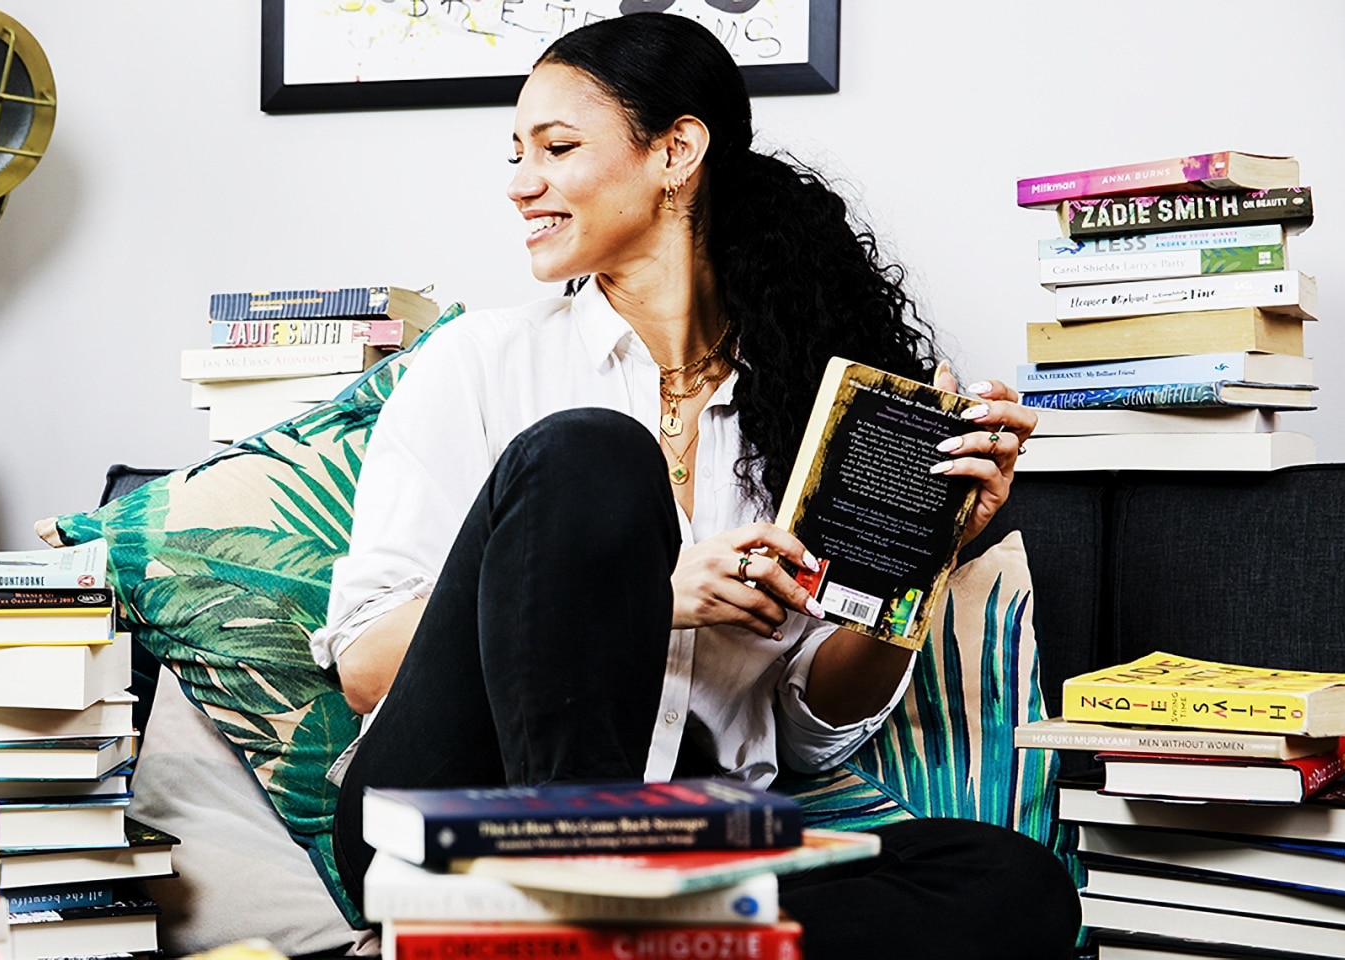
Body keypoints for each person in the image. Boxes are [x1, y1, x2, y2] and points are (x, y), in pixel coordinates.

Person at [308, 13, 1079, 960]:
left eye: (555, 147)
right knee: (592, 451)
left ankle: (595, 940)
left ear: (676, 151)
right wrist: (645, 601)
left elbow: (810, 738)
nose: (519, 183)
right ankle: (586, 901)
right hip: (448, 813)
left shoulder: (805, 402)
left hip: (689, 832)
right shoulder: (478, 361)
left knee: (1012, 883)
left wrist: (931, 549)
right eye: (516, 151)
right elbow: (366, 670)